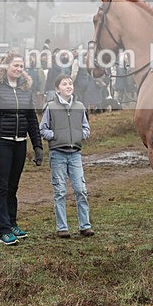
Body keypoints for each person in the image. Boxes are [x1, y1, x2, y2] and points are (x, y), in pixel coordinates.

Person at [0, 50, 43, 246]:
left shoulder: (25, 89)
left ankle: (12, 223)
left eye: (21, 66)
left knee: (13, 187)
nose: (18, 69)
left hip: (20, 143)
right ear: (5, 66)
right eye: (15, 65)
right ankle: (4, 230)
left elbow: (31, 118)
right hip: (0, 143)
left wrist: (38, 145)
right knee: (1, 186)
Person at [39, 75, 94, 238]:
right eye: (64, 84)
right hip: (58, 154)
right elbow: (42, 129)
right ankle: (62, 227)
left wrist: (79, 136)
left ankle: (85, 225)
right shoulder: (50, 107)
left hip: (75, 154)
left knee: (81, 190)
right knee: (60, 191)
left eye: (70, 83)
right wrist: (55, 136)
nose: (68, 86)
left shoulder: (79, 106)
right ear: (57, 89)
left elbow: (86, 128)